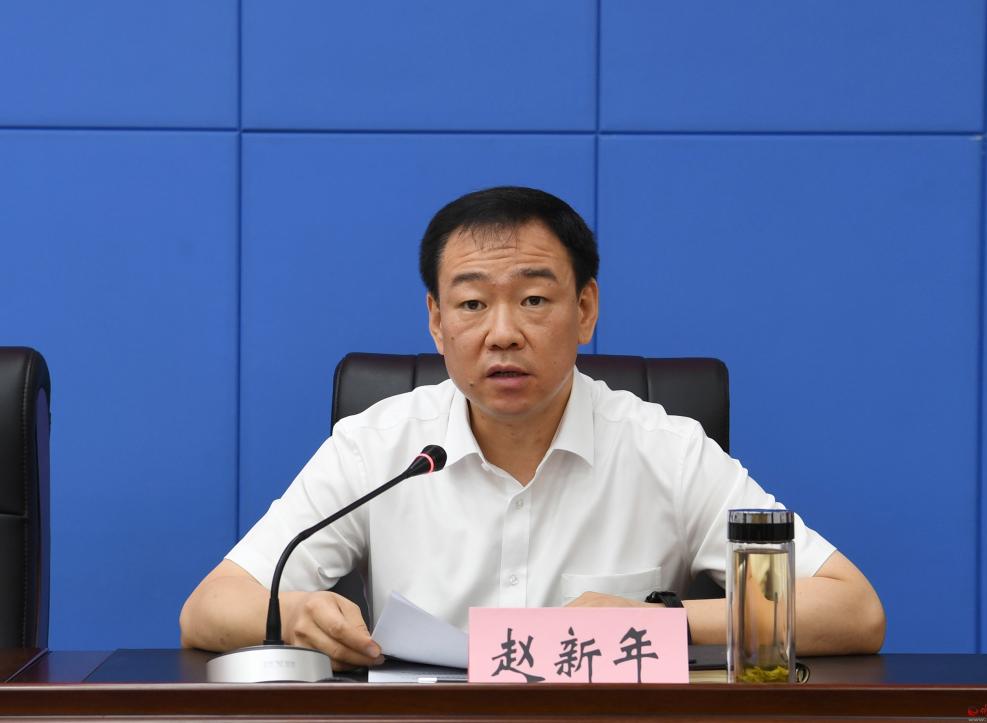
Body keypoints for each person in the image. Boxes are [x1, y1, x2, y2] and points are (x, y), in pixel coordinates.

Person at [180, 186, 885, 669]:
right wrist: (296, 612)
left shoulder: (666, 450)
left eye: (535, 299)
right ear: (436, 322)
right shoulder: (379, 445)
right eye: (472, 304)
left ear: (586, 310)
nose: (503, 333)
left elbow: (853, 609)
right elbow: (210, 608)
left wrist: (659, 621)